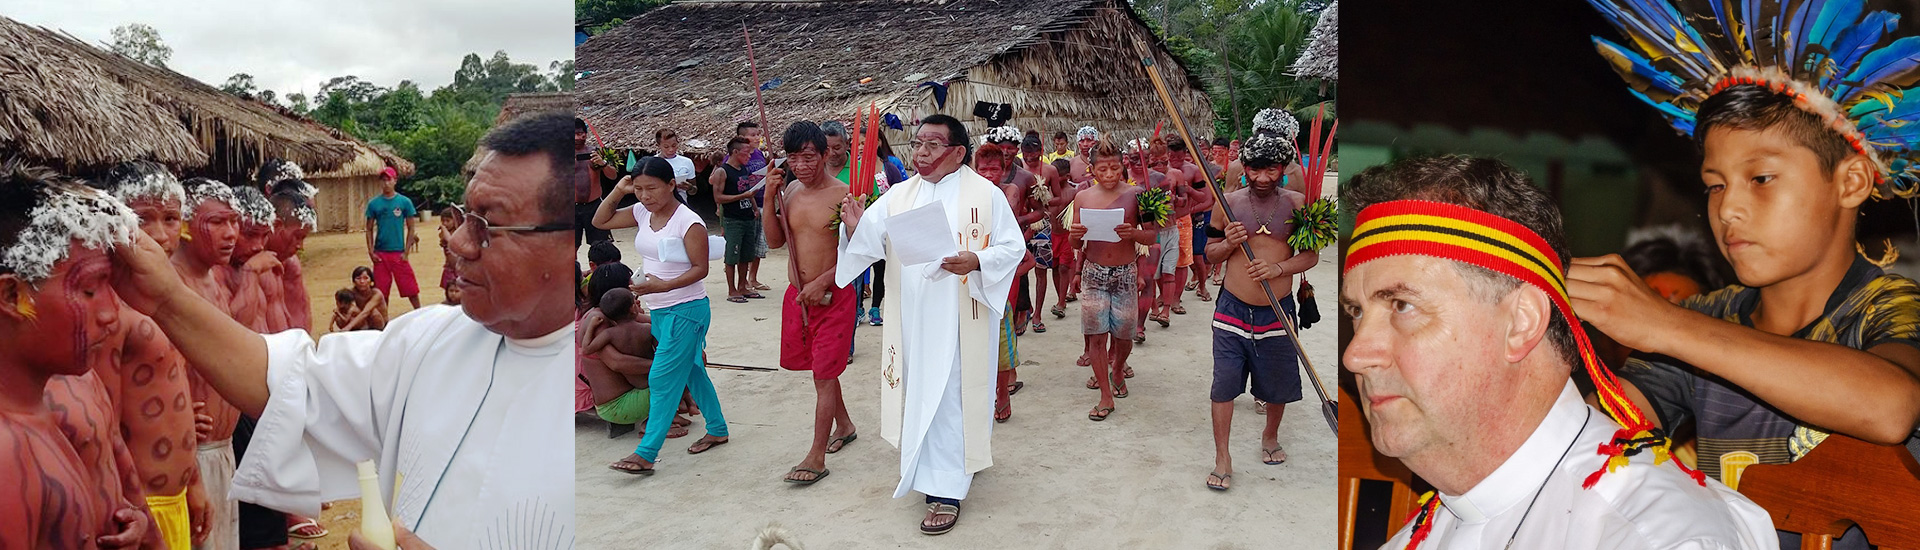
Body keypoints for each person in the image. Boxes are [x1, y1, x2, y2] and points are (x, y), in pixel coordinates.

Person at [109, 111, 579, 547]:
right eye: (462, 216)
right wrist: (165, 298)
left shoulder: (579, 390)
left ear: (567, 241)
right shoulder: (432, 339)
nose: (456, 241)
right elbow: (290, 382)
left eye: (487, 224)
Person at [1581, 6, 1920, 546]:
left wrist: (1662, 324)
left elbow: (1891, 407)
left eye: (1760, 178)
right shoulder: (1706, 317)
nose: (1727, 209)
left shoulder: (1891, 306)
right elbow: (1588, 440)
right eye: (1715, 185)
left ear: (1852, 181)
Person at [1342, 155, 1774, 549]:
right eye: (1357, 312)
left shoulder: (1657, 537)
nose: (1355, 355)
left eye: (1402, 305)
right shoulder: (1420, 534)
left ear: (1522, 322)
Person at [835, 114, 1023, 535]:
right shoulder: (900, 195)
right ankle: (938, 466)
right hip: (914, 317)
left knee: (952, 394)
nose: (921, 152)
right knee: (921, 392)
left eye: (933, 145)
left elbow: (1013, 248)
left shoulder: (986, 195)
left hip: (961, 315)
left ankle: (945, 490)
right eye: (918, 143)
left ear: (957, 152)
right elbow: (869, 245)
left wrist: (977, 260)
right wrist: (855, 229)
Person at [0, 163, 154, 549]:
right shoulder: (5, 453)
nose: (111, 313)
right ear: (12, 296)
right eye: (88, 290)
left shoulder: (35, 413)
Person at [94, 160, 212, 549]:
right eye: (142, 219)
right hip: (139, 508)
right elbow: (104, 427)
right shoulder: (108, 309)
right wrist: (136, 512)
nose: (160, 235)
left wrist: (193, 481)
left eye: (171, 219)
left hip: (175, 498)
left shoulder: (172, 301)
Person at [596, 156, 729, 475]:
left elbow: (700, 269)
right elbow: (601, 221)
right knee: (693, 371)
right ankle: (717, 429)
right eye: (639, 189)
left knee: (661, 377)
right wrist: (619, 191)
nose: (645, 196)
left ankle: (646, 453)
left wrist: (663, 285)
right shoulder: (642, 212)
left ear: (671, 185)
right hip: (659, 308)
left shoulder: (688, 221)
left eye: (652, 188)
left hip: (687, 308)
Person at [1201, 133, 1313, 491]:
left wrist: (1279, 269)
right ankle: (1222, 456)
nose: (1262, 178)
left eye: (1271, 170)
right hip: (1232, 309)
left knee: (1277, 385)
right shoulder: (1227, 203)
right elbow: (1210, 253)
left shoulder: (1298, 204)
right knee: (1223, 384)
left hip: (1277, 311)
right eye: (1255, 170)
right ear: (1244, 168)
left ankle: (1270, 435)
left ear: (1283, 169)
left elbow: (1310, 256)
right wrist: (1229, 244)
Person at [761, 122, 859, 485]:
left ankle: (816, 457)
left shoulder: (845, 195)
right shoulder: (789, 190)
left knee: (823, 376)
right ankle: (844, 425)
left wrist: (822, 281)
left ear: (824, 154)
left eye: (808, 157)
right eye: (793, 158)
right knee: (821, 369)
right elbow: (775, 242)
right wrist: (768, 199)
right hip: (798, 297)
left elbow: (860, 254)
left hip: (833, 297)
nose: (800, 166)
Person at [172, 176, 247, 550]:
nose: (230, 233)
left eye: (233, 221)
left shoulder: (215, 278)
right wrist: (176, 419)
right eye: (217, 222)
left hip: (223, 447)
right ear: (185, 225)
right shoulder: (170, 283)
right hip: (192, 454)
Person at [1068, 139, 1156, 421]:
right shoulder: (1082, 197)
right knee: (1096, 335)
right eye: (1103, 169)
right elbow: (1076, 243)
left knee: (1124, 335)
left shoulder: (1138, 195)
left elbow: (1152, 235)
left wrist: (1134, 234)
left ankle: (1117, 369)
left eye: (1115, 169)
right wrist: (1075, 236)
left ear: (1123, 166)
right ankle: (1106, 396)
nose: (1109, 175)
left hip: (1125, 274)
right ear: (1092, 169)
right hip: (1094, 273)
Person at [1167, 137, 1216, 307]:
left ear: (1185, 154)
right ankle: (1168, 295)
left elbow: (1207, 199)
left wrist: (1189, 197)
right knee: (1168, 260)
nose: (1175, 160)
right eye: (1172, 157)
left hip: (1191, 218)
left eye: (1179, 157)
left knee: (1196, 256)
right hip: (1167, 222)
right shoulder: (1160, 169)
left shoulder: (1193, 170)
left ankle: (1202, 286)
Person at [364, 166, 421, 310]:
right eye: (383, 180)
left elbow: (411, 228)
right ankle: (383, 319)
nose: (386, 183)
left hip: (399, 253)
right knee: (381, 292)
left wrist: (406, 252)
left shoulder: (404, 202)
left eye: (389, 179)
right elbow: (369, 229)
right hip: (381, 254)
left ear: (395, 180)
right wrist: (371, 251)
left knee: (410, 288)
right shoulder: (374, 204)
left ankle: (420, 313)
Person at [712, 137, 759, 303]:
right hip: (733, 219)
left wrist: (754, 207)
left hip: (747, 217)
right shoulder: (722, 172)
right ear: (735, 152)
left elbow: (749, 190)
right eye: (746, 153)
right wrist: (742, 196)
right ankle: (732, 289)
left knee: (746, 255)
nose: (749, 156)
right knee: (732, 255)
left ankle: (742, 286)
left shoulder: (743, 169)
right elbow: (718, 197)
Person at [264, 189, 315, 332]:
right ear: (276, 225)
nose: (300, 246)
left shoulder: (289, 261)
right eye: (297, 237)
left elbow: (301, 307)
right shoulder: (250, 266)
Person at [577, 118, 614, 248]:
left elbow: (613, 176)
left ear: (585, 134)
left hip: (594, 205)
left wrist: (602, 163)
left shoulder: (597, 152)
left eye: (580, 134)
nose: (577, 138)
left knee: (601, 246)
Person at [653, 129, 698, 205]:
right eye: (666, 147)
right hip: (659, 205)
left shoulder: (687, 162)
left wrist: (689, 188)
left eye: (674, 145)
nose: (671, 149)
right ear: (658, 146)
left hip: (681, 205)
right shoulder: (652, 163)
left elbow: (694, 190)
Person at [346, 266, 388, 331]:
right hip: (364, 322)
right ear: (354, 281)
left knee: (373, 312)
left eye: (366, 278)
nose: (362, 281)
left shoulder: (376, 293)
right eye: (358, 278)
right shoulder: (352, 292)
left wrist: (348, 327)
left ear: (371, 281)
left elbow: (366, 311)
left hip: (380, 324)